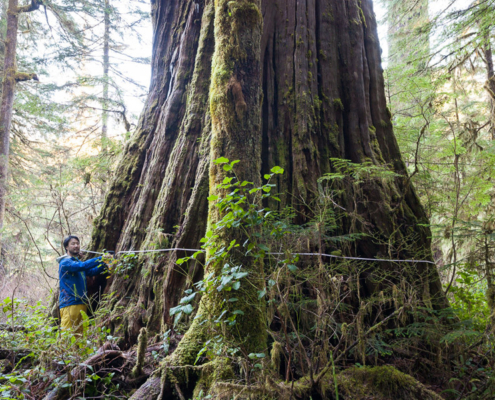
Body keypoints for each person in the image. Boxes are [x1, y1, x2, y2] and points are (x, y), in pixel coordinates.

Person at [57, 235, 111, 335]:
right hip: (69, 303)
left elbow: (91, 271)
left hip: (82, 302)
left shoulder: (76, 263)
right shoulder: (65, 262)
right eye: (73, 244)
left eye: (77, 243)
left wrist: (105, 264)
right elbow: (82, 266)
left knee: (81, 335)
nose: (76, 246)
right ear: (67, 247)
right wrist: (101, 258)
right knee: (68, 336)